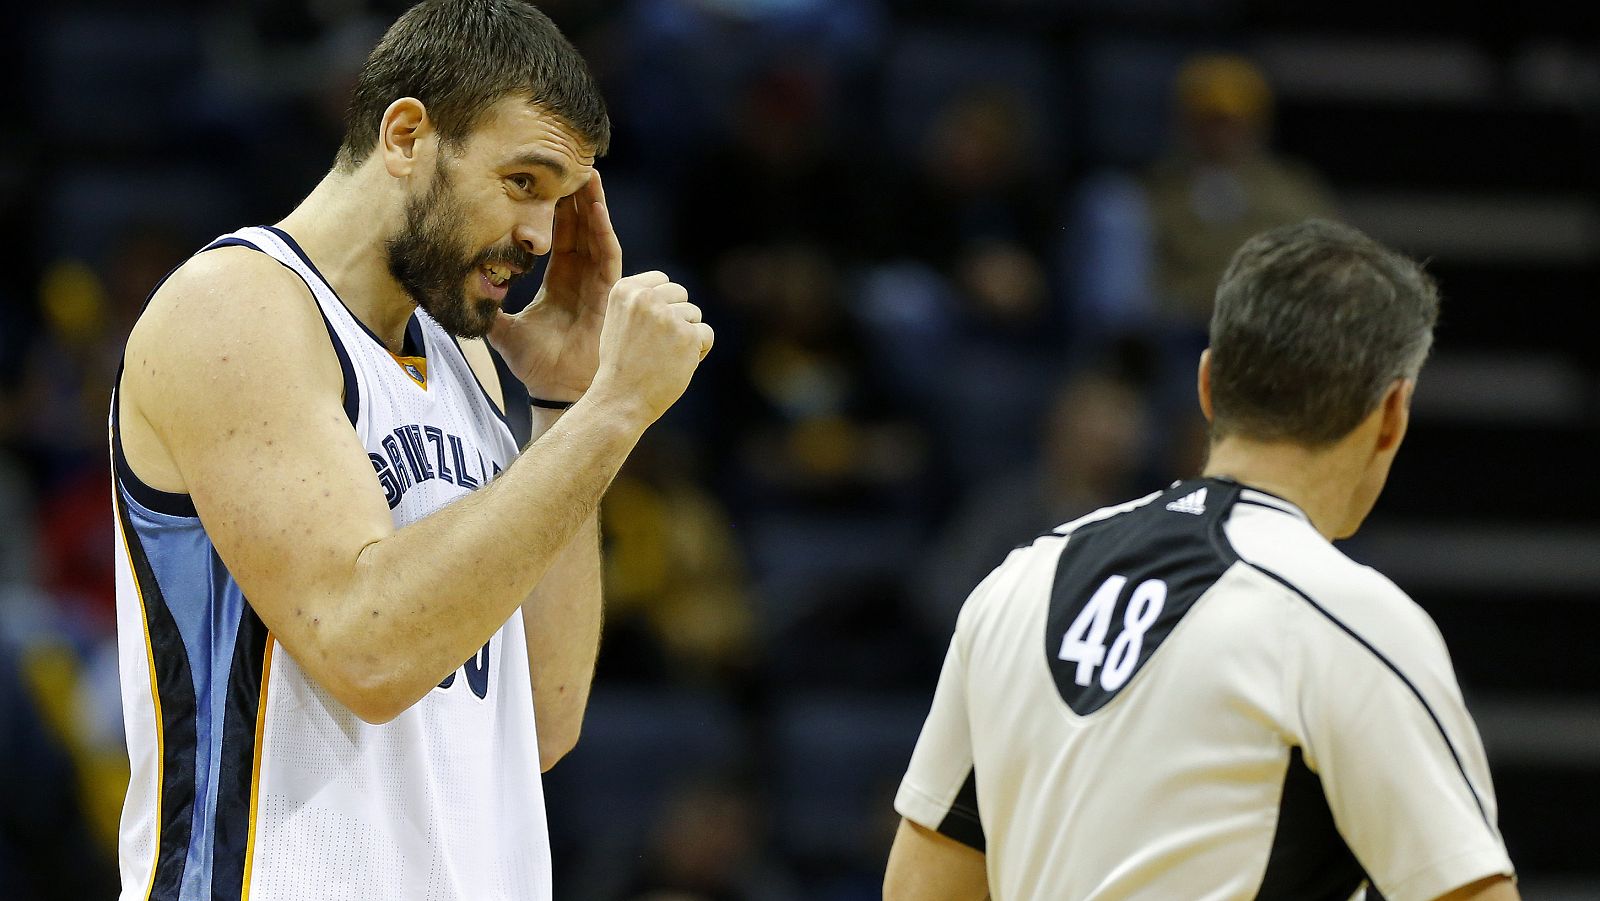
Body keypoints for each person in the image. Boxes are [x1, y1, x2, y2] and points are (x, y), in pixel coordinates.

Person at [111, 2, 713, 899]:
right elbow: (368, 650)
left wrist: (563, 400)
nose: (542, 239)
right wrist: (616, 410)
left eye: (558, 201)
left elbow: (541, 718)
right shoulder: (235, 308)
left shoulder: (466, 355)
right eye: (522, 182)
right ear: (405, 135)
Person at [884, 219, 1518, 901]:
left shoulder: (1018, 582)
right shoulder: (1352, 622)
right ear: (1393, 412)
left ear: (1208, 385)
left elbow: (922, 888)